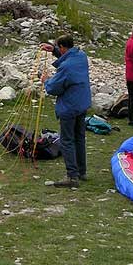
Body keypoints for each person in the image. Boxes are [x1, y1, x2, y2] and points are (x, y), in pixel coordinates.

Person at [41, 35, 91, 188]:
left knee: (67, 140)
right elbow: (67, 57)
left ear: (63, 47)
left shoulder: (66, 67)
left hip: (70, 106)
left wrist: (45, 81)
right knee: (79, 138)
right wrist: (54, 50)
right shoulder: (81, 56)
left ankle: (71, 176)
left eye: (58, 47)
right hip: (82, 103)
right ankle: (81, 171)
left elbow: (54, 88)